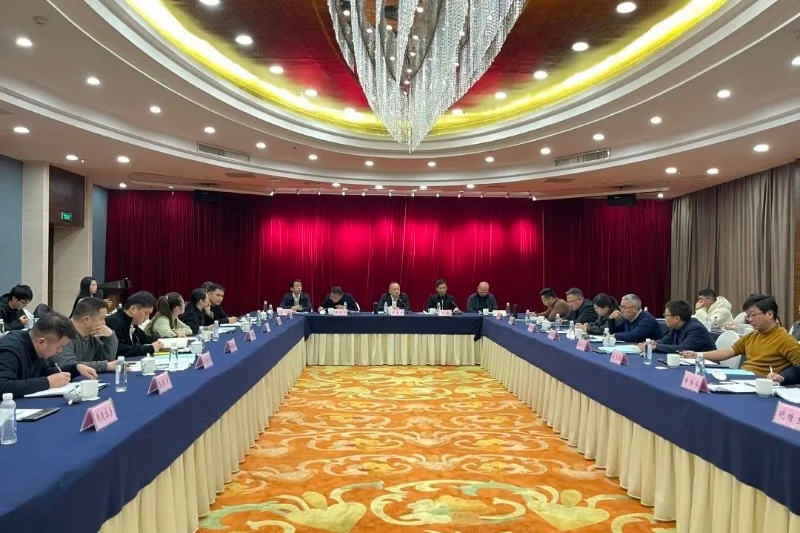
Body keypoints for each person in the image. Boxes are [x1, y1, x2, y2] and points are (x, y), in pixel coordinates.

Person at [684, 295, 800, 376]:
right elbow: (727, 352)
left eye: (753, 315)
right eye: (748, 316)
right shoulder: (752, 336)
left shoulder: (785, 339)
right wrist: (698, 355)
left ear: (769, 314)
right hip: (743, 379)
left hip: (762, 384)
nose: (750, 319)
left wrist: (782, 377)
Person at [0, 312, 97, 398]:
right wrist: (47, 382)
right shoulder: (9, 351)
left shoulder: (35, 345)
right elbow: (3, 386)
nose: (60, 351)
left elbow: (45, 372)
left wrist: (76, 368)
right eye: (58, 347)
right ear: (41, 342)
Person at [54, 297, 119, 373]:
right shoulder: (64, 334)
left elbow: (106, 360)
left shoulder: (91, 334)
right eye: (102, 318)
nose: (104, 323)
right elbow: (67, 365)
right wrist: (105, 366)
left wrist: (110, 336)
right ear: (86, 320)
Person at [641, 300, 715, 353]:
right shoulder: (676, 327)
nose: (665, 318)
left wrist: (656, 346)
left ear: (676, 318)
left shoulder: (696, 329)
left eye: (666, 315)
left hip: (706, 365)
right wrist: (652, 344)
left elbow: (683, 348)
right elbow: (664, 341)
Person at [104, 291, 164, 358]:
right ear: (133, 309)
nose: (147, 318)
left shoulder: (132, 323)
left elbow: (146, 339)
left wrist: (163, 340)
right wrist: (150, 348)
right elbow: (119, 349)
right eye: (146, 313)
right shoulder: (113, 322)